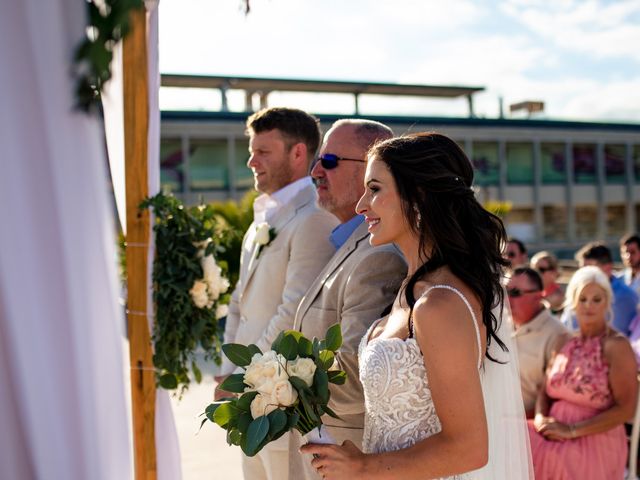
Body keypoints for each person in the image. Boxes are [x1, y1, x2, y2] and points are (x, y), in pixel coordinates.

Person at [302, 132, 533, 479]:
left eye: (375, 189)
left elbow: (469, 447)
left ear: (419, 197)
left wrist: (364, 467)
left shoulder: (440, 305)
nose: (361, 205)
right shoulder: (410, 290)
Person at [215, 107, 339, 480]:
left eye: (263, 151)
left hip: (284, 400)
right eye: (252, 151)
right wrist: (226, 375)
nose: (252, 161)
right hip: (248, 394)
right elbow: (239, 303)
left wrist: (244, 377)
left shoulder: (315, 218)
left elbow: (294, 313)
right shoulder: (259, 224)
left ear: (298, 153)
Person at [288, 119, 407, 480]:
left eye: (330, 160)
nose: (315, 171)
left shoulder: (379, 256)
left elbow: (356, 381)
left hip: (347, 453)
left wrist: (279, 386)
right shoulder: (348, 244)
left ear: (373, 170)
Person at [528, 266, 638, 480]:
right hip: (552, 432)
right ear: (573, 302)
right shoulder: (563, 341)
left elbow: (626, 409)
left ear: (607, 303)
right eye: (583, 298)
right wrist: (541, 418)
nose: (589, 306)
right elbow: (544, 391)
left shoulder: (617, 346)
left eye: (597, 299)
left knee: (549, 459)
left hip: (595, 438)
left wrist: (570, 430)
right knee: (507, 436)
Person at [507, 267, 570, 418]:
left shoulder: (558, 335)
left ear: (538, 296)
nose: (506, 299)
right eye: (504, 291)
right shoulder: (497, 324)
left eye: (515, 293)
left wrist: (515, 423)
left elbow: (555, 398)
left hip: (526, 429)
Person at [561, 242, 638, 336]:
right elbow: (565, 326)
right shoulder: (576, 291)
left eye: (589, 269)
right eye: (582, 270)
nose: (584, 275)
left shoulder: (625, 297)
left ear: (608, 267)